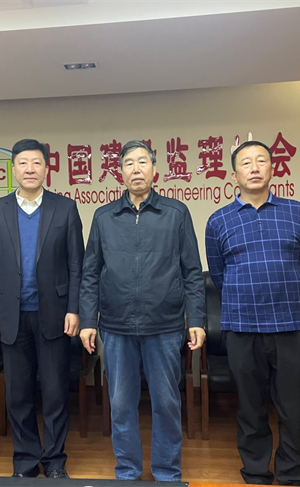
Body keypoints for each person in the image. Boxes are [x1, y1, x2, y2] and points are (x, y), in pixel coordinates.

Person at [79, 140, 206, 482]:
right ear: (120, 173)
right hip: (116, 327)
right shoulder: (104, 216)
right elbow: (90, 273)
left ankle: (167, 473)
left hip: (164, 326)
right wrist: (88, 320)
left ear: (154, 170)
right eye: (129, 164)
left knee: (166, 403)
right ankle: (128, 472)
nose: (136, 169)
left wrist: (196, 319)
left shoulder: (176, 213)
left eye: (142, 162)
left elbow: (192, 271)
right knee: (121, 404)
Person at [205, 140, 300, 486]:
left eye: (261, 161)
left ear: (273, 168)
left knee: (296, 407)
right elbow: (219, 275)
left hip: (290, 324)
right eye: (246, 162)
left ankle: (294, 474)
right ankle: (255, 471)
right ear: (234, 174)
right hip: (241, 327)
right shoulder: (218, 220)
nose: (254, 168)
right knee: (250, 406)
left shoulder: (298, 212)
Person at [0, 138, 84, 478]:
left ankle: (54, 462)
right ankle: (25, 462)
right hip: (11, 317)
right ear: (13, 169)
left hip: (54, 315)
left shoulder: (64, 208)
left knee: (55, 393)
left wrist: (74, 308)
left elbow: (76, 265)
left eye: (36, 163)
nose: (30, 169)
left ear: (47, 169)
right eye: (23, 163)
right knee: (18, 395)